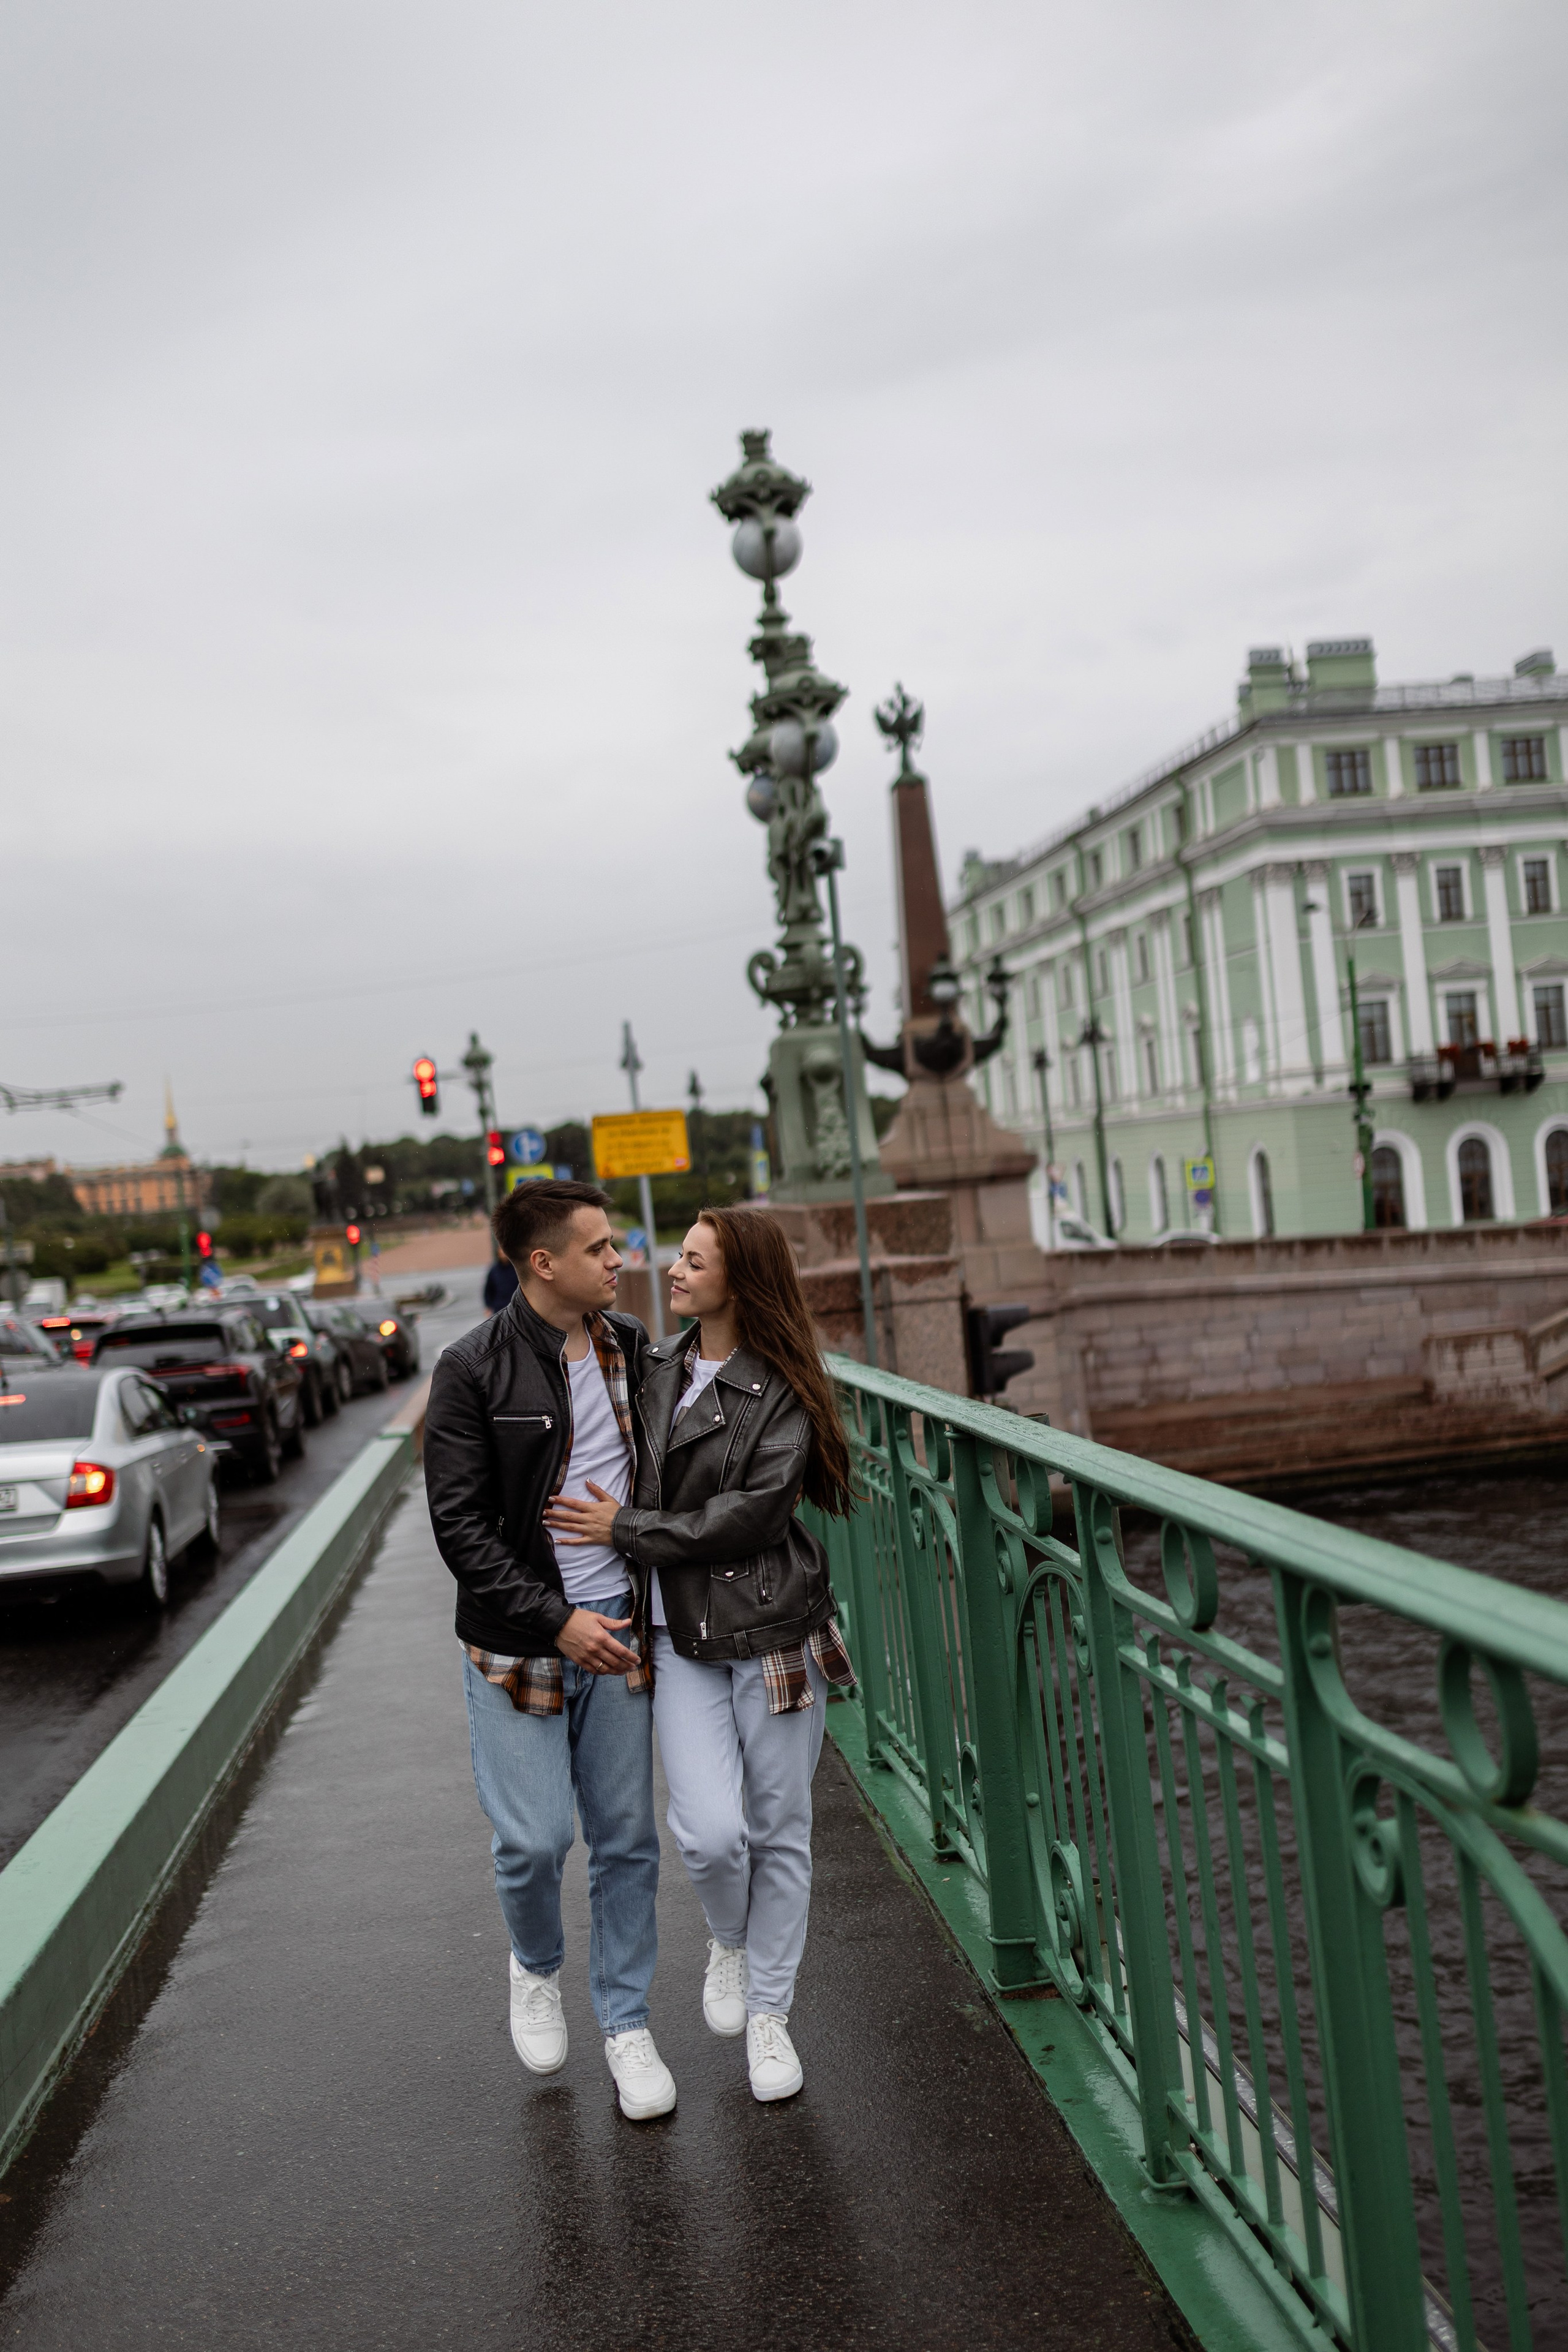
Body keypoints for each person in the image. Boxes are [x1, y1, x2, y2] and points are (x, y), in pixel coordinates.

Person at [547, 1204, 853, 2105]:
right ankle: (732, 1939)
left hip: (771, 1627)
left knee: (780, 1827)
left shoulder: (785, 1387)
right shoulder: (655, 1366)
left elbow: (753, 1515)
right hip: (678, 1632)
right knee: (711, 1833)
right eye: (677, 1256)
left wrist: (626, 1529)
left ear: (740, 1281)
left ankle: (771, 2016)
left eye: (692, 1261)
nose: (672, 1272)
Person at [424, 1178, 676, 2122]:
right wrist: (555, 1619)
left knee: (626, 1838)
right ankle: (535, 1967)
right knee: (534, 1840)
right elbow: (461, 1530)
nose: (618, 1260)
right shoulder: (472, 1368)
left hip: (621, 1625)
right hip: (519, 1641)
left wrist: (632, 1545)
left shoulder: (632, 1347)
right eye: (600, 1247)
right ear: (544, 1263)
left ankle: (627, 2023)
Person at [482, 1251, 519, 1316]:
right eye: (501, 1254)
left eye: (504, 1254)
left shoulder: (516, 1269)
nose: (503, 1256)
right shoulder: (494, 1271)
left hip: (515, 1306)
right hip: (499, 1307)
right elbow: (488, 1289)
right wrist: (488, 1306)